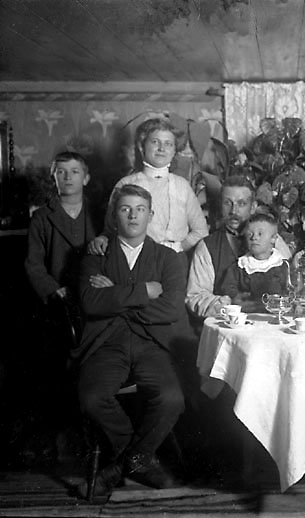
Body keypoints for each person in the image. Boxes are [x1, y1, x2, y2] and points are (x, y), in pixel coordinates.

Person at [76, 184, 186, 499]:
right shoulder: (97, 255)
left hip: (151, 343)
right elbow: (90, 302)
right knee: (92, 396)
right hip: (106, 343)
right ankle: (140, 460)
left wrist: (115, 294)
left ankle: (119, 468)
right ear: (115, 215)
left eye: (140, 209)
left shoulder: (168, 258)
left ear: (151, 215)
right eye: (125, 209)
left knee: (171, 398)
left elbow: (171, 309)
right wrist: (142, 292)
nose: (133, 215)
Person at [24, 151, 103, 463]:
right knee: (58, 373)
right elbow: (33, 265)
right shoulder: (42, 218)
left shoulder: (98, 214)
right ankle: (59, 440)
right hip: (59, 307)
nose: (68, 178)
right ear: (53, 178)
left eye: (74, 172)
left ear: (86, 178)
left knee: (94, 369)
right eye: (61, 172)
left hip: (93, 303)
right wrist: (53, 290)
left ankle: (92, 438)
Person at [88, 118, 209, 257]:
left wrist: (178, 247)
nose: (162, 148)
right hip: (137, 258)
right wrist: (102, 239)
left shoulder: (182, 186)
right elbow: (110, 230)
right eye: (155, 142)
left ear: (174, 150)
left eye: (168, 144)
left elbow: (201, 231)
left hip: (177, 259)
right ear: (142, 147)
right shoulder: (126, 184)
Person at [186, 175, 292, 319]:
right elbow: (195, 296)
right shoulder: (207, 247)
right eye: (227, 203)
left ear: (253, 207)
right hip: (228, 325)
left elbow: (290, 283)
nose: (233, 211)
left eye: (241, 204)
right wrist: (228, 305)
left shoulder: (273, 241)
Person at [221, 212, 290, 311]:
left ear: (273, 239)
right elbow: (228, 289)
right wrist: (235, 298)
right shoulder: (240, 267)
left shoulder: (283, 266)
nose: (254, 238)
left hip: (276, 314)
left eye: (260, 234)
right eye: (250, 234)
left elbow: (290, 292)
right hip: (247, 315)